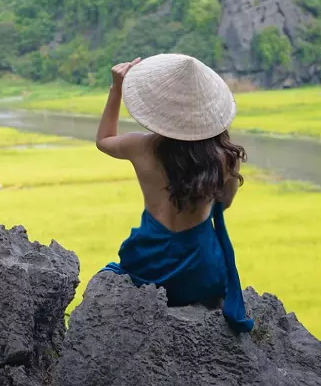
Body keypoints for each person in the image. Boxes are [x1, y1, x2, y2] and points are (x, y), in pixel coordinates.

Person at [96, 53, 254, 333]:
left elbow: (104, 140)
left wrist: (116, 89)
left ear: (160, 111)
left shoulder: (140, 146)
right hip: (201, 273)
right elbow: (224, 203)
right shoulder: (226, 158)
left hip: (147, 263)